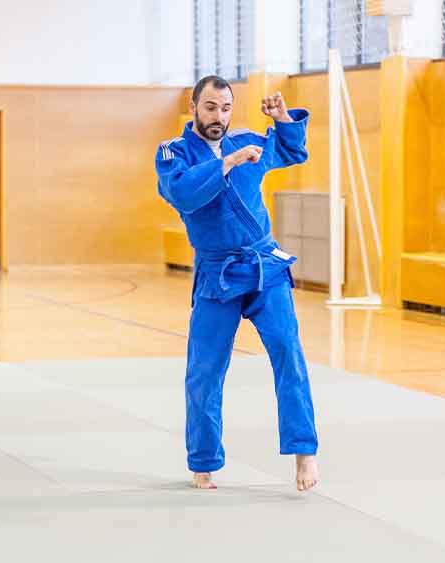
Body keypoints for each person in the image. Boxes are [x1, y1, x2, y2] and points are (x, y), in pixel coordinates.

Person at [155, 76, 319, 492]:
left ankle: (304, 451)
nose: (219, 116)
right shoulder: (173, 153)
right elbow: (183, 194)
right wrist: (226, 163)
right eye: (210, 107)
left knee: (288, 354)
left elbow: (292, 151)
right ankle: (204, 459)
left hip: (265, 268)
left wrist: (283, 120)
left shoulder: (246, 141)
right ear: (193, 106)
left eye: (226, 108)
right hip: (217, 274)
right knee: (204, 371)